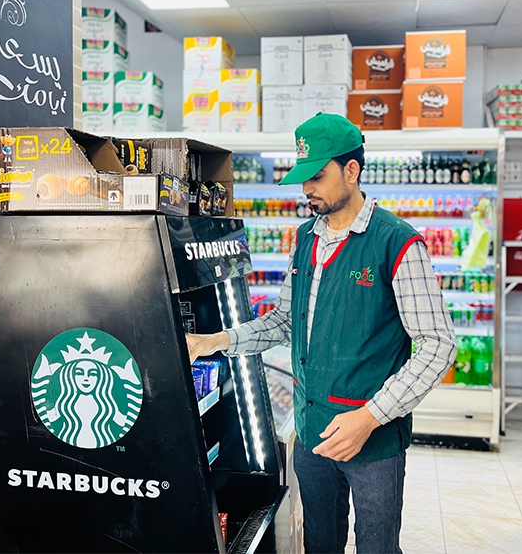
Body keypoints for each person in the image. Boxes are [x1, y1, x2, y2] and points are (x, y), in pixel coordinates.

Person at [186, 113, 456, 554]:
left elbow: (438, 345)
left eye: (317, 176)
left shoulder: (397, 243)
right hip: (312, 433)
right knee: (320, 543)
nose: (306, 189)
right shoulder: (305, 238)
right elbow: (284, 322)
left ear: (352, 170)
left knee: (377, 547)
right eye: (303, 178)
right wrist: (213, 341)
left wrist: (369, 417)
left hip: (373, 441)